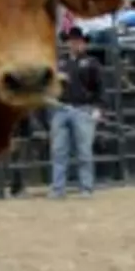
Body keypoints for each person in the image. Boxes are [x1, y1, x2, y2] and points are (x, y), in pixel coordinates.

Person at [49, 27, 103, 199]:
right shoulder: (59, 63)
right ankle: (58, 188)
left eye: (78, 41)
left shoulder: (92, 63)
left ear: (83, 43)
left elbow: (100, 88)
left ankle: (86, 187)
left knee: (84, 150)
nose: (74, 44)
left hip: (83, 108)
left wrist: (98, 108)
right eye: (72, 41)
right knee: (59, 150)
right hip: (61, 108)